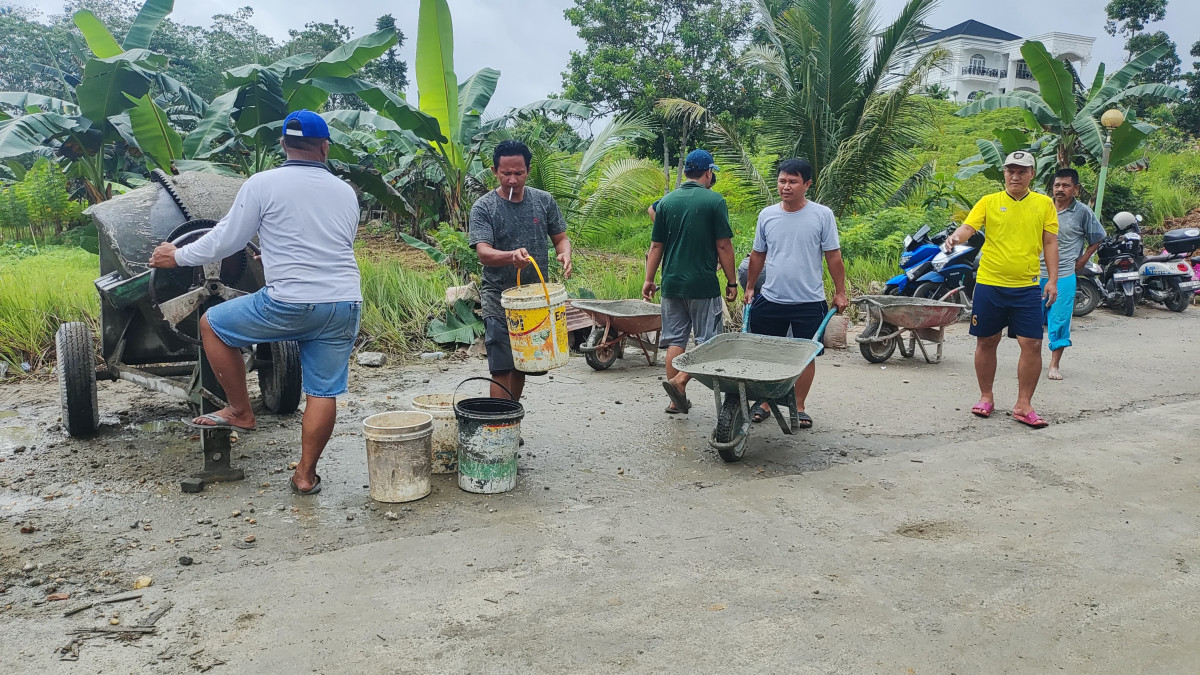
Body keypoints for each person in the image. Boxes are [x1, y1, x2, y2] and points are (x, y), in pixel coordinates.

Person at [148, 110, 362, 495]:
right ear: (325, 147)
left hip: (291, 302)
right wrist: (275, 254)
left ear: (283, 145)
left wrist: (175, 257)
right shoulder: (345, 191)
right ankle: (305, 475)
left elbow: (225, 240)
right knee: (323, 392)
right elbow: (334, 243)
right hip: (344, 303)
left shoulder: (262, 183)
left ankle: (240, 411)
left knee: (212, 325)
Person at [945, 150, 1059, 428]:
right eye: (1010, 170)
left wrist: (1053, 280)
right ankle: (986, 396)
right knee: (986, 341)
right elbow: (967, 229)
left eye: (1022, 171)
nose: (1015, 176)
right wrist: (954, 238)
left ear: (1032, 174)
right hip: (989, 284)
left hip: (1027, 286)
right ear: (1004, 173)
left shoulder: (1044, 204)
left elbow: (1050, 243)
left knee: (1031, 344)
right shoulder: (989, 201)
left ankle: (1024, 405)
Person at [743, 158, 848, 429]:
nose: (786, 187)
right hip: (772, 298)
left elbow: (833, 256)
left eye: (793, 181)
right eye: (782, 181)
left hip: (809, 300)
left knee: (805, 355)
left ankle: (798, 407)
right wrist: (751, 286)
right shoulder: (767, 215)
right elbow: (758, 254)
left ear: (807, 185)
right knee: (768, 355)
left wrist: (840, 292)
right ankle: (766, 401)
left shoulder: (822, 215)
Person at [469, 140, 572, 407]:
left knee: (520, 363)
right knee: (501, 367)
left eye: (519, 173)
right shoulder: (484, 207)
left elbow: (561, 237)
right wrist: (509, 256)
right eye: (506, 174)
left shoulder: (543, 201)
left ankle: (510, 418)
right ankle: (499, 422)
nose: (512, 180)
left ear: (528, 170)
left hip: (534, 299)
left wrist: (564, 253)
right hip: (498, 297)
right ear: (494, 171)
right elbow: (483, 252)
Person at [643, 149, 737, 414]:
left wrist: (649, 279)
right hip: (702, 285)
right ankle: (680, 382)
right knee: (708, 342)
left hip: (671, 283)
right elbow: (724, 245)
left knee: (676, 341)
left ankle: (675, 401)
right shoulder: (714, 201)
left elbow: (656, 245)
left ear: (685, 172)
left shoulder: (667, 202)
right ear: (708, 172)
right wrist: (732, 281)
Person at [1041, 168, 1105, 381]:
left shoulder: (1083, 212)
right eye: (1057, 185)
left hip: (1064, 275)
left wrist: (1084, 258)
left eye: (1066, 185)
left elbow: (1097, 237)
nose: (1060, 189)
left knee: (1059, 321)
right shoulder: (1042, 206)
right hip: (1035, 273)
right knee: (1030, 321)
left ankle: (1054, 365)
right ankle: (1030, 362)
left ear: (1075, 189)